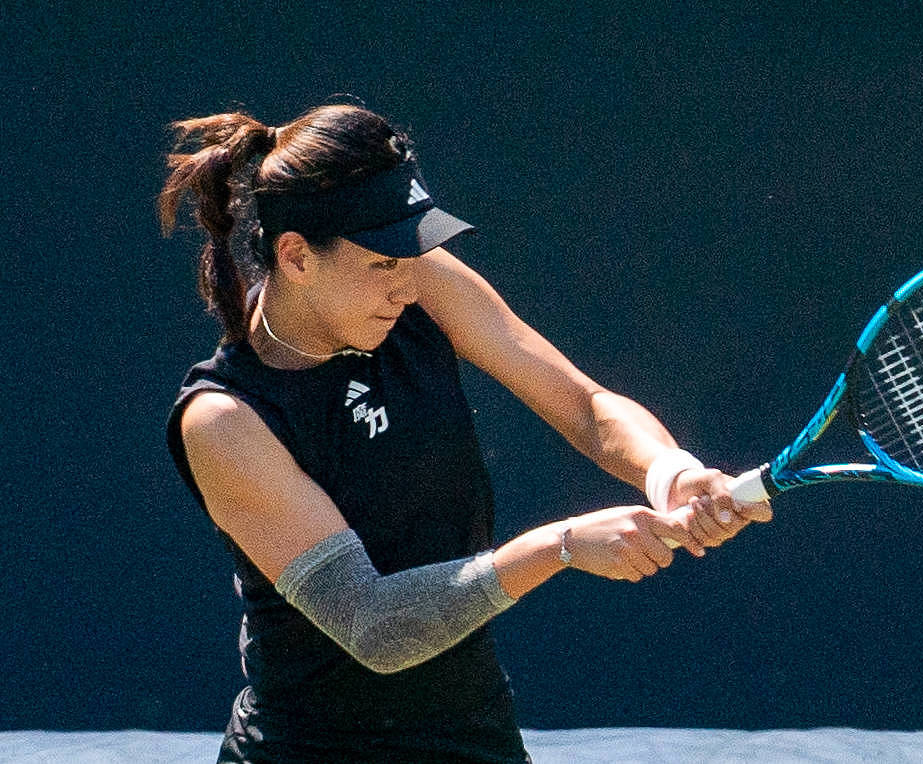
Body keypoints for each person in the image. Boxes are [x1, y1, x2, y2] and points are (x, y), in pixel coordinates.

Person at [160, 103, 772, 763]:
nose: (405, 280)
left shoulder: (419, 282)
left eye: (411, 252)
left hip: (469, 733)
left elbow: (585, 405)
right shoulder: (224, 420)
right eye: (380, 263)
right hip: (307, 751)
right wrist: (560, 546)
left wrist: (669, 472)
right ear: (297, 256)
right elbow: (374, 626)